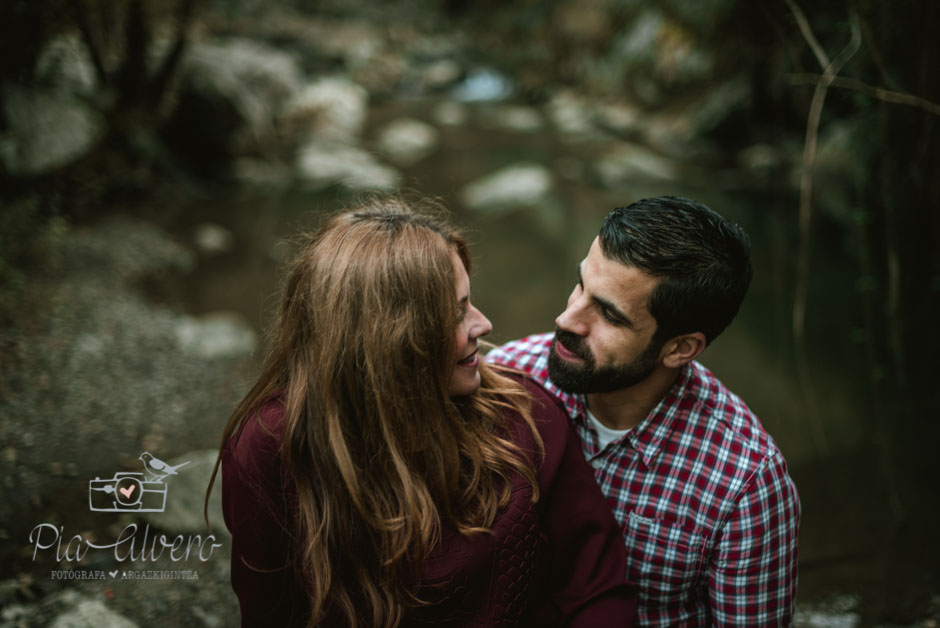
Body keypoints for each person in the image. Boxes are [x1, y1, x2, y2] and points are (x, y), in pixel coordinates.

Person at [207, 199, 637, 627]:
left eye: (471, 301)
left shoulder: (528, 417)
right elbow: (270, 613)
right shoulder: (272, 447)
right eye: (455, 313)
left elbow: (596, 592)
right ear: (386, 341)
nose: (483, 324)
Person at [486, 196, 801, 626]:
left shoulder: (746, 485)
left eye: (610, 315)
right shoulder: (506, 380)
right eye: (581, 285)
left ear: (680, 348)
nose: (566, 319)